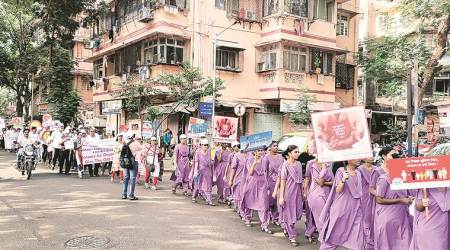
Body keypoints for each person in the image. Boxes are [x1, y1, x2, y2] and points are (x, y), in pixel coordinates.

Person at [318, 160, 364, 250]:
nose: (358, 159)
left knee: (357, 238)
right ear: (348, 159)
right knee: (333, 236)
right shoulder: (341, 171)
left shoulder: (358, 173)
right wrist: (343, 179)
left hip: (356, 208)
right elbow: (338, 190)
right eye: (355, 157)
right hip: (341, 208)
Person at [374, 147, 413, 250]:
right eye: (393, 155)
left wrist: (408, 197)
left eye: (397, 156)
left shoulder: (399, 176)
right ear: (384, 156)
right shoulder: (382, 178)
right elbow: (379, 199)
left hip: (402, 215)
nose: (396, 158)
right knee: (387, 244)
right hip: (388, 217)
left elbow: (402, 193)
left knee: (405, 242)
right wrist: (401, 200)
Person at [240, 148, 272, 234]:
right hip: (252, 182)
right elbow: (250, 173)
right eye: (258, 150)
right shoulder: (250, 160)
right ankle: (247, 218)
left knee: (263, 204)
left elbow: (266, 172)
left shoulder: (265, 160)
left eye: (261, 150)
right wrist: (254, 163)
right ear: (255, 151)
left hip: (262, 183)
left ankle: (264, 225)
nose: (260, 152)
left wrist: (267, 183)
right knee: (249, 201)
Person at [278, 145, 303, 246]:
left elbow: (300, 180)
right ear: (289, 154)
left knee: (296, 213)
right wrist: (281, 196)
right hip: (288, 192)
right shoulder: (285, 165)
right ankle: (292, 237)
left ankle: (286, 227)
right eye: (295, 152)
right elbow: (283, 180)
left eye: (298, 152)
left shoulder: (299, 164)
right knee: (289, 214)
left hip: (297, 193)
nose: (298, 154)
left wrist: (302, 193)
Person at [303, 159, 333, 244]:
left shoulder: (328, 163)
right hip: (315, 194)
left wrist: (326, 182)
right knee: (318, 219)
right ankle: (323, 241)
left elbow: (333, 181)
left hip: (327, 194)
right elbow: (309, 178)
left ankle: (323, 238)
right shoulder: (311, 163)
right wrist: (305, 191)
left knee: (326, 218)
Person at [357, 156, 379, 250]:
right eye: (368, 156)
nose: (371, 157)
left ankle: (373, 239)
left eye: (372, 155)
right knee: (365, 218)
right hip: (364, 195)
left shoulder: (377, 169)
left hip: (375, 195)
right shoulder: (359, 169)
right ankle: (365, 242)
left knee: (373, 217)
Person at [263, 141, 284, 226]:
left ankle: (275, 218)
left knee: (277, 201)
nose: (276, 147)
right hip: (270, 181)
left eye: (277, 146)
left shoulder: (281, 157)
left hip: (279, 181)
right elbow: (264, 171)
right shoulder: (266, 157)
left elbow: (283, 169)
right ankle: (267, 218)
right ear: (270, 147)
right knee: (270, 200)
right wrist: (266, 182)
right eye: (274, 146)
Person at [191, 138, 215, 206]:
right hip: (200, 171)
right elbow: (196, 162)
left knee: (208, 186)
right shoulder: (198, 152)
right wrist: (195, 170)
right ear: (201, 145)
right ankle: (194, 196)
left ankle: (209, 200)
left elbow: (212, 161)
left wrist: (212, 160)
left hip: (207, 171)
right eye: (204, 145)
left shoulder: (210, 152)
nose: (205, 146)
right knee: (197, 186)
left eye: (207, 145)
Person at [228, 142, 249, 217]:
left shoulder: (250, 155)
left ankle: (245, 212)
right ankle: (242, 212)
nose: (246, 146)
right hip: (239, 179)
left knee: (246, 197)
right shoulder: (236, 156)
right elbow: (233, 169)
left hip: (248, 180)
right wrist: (230, 180)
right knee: (240, 196)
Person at [121, 131, 141, 200]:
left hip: (125, 161)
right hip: (133, 161)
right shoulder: (136, 143)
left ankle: (124, 194)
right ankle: (131, 195)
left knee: (126, 177)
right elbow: (140, 148)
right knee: (132, 178)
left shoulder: (124, 143)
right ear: (132, 136)